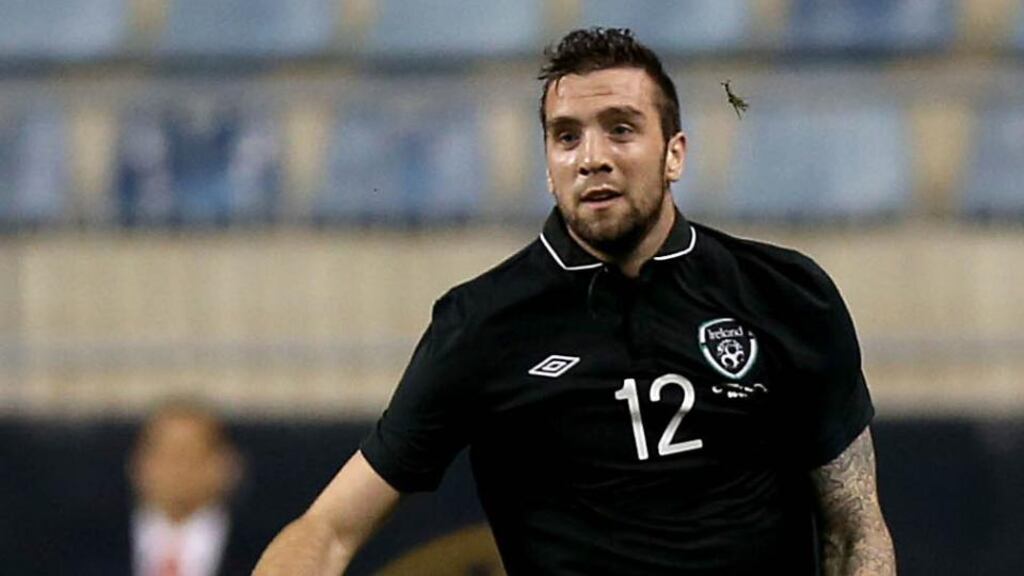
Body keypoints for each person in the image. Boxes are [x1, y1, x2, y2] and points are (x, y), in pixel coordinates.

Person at [253, 27, 895, 575]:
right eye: (566, 137)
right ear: (549, 165)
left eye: (621, 130)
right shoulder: (482, 326)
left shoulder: (786, 295)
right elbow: (328, 531)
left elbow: (854, 528)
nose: (592, 158)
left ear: (674, 154)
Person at [125, 398, 258, 576]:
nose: (176, 468)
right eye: (163, 453)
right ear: (138, 462)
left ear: (227, 466)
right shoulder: (93, 543)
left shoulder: (264, 550)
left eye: (189, 453)